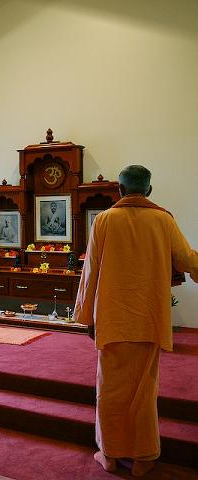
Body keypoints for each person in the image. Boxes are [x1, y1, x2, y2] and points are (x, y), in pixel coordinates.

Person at [73, 165, 198, 477]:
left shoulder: (103, 220)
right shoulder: (163, 219)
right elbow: (186, 260)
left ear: (120, 189)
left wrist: (87, 316)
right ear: (149, 190)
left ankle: (111, 455)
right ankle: (142, 459)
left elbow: (91, 274)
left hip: (113, 319)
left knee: (110, 391)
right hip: (149, 319)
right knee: (144, 392)